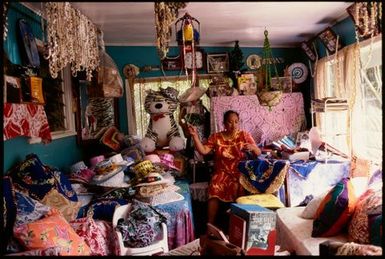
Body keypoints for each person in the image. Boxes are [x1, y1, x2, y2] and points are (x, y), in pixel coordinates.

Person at [187, 110, 261, 227]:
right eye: (230, 122)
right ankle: (210, 225)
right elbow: (203, 151)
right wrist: (195, 136)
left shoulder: (244, 135)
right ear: (224, 124)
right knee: (215, 187)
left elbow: (258, 153)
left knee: (241, 188)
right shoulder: (216, 137)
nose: (233, 125)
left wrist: (252, 147)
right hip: (222, 172)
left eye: (236, 122)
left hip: (239, 172)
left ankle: (240, 226)